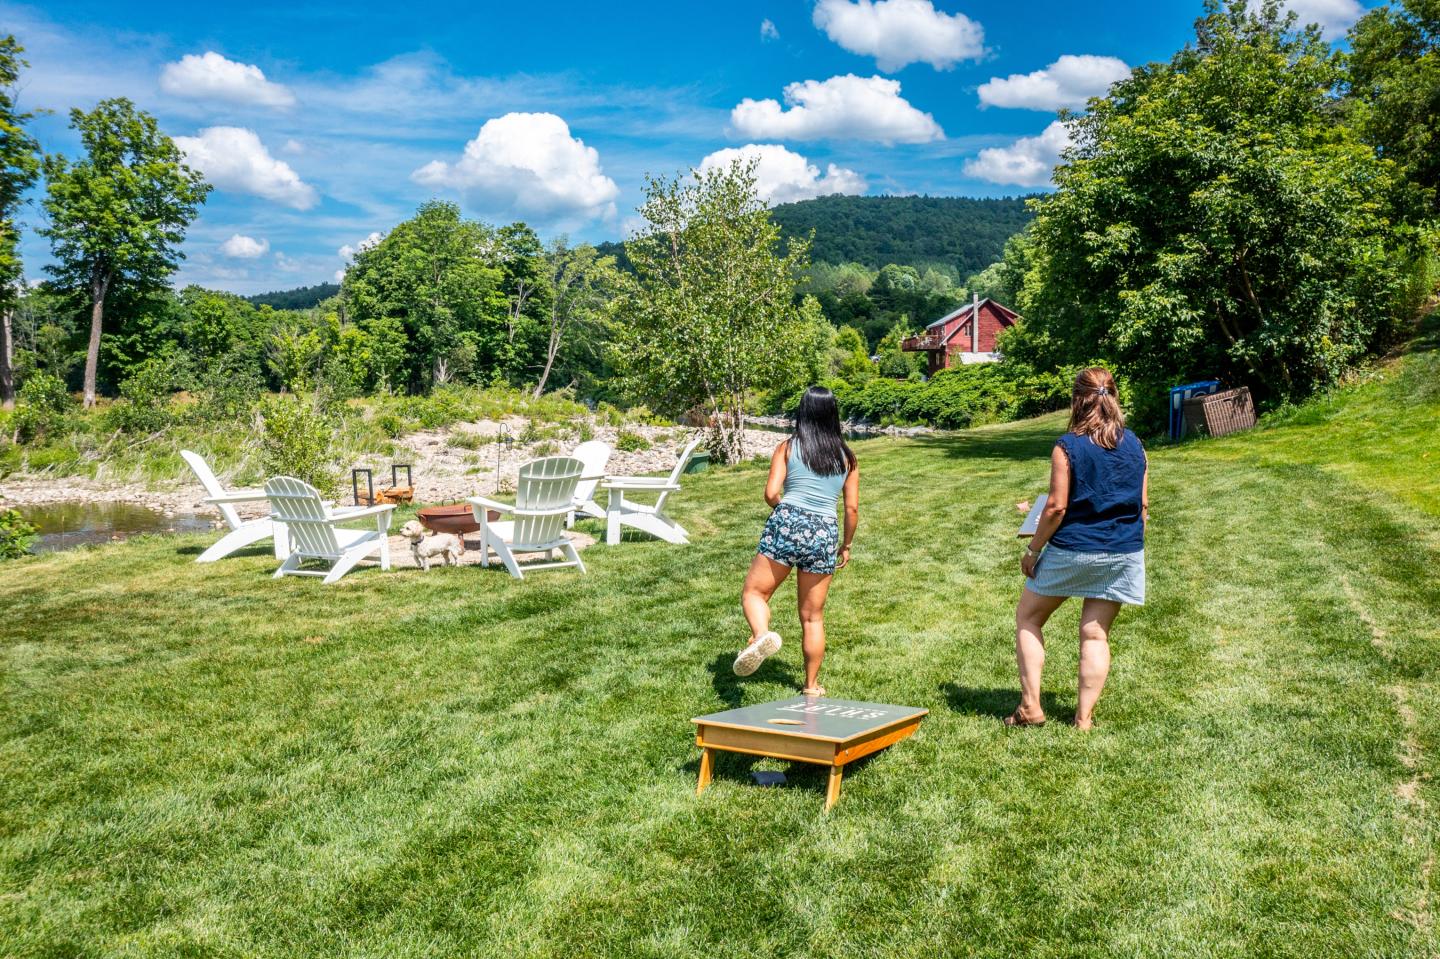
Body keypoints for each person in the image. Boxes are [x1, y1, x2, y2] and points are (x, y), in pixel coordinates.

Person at [1010, 367, 1148, 731]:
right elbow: (1143, 507)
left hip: (1074, 548)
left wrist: (1033, 552)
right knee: (1095, 633)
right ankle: (1083, 719)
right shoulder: (1136, 444)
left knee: (1029, 617)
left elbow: (1055, 508)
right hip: (1123, 550)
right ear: (1113, 397)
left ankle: (1030, 707)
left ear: (1077, 399)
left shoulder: (1067, 446)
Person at [734, 386, 859, 697]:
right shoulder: (847, 458)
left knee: (754, 593)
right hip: (824, 532)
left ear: (803, 412)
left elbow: (771, 493)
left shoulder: (788, 447)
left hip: (788, 521)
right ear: (833, 414)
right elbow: (852, 508)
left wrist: (787, 513)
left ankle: (762, 634)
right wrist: (846, 544)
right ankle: (811, 686)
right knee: (812, 616)